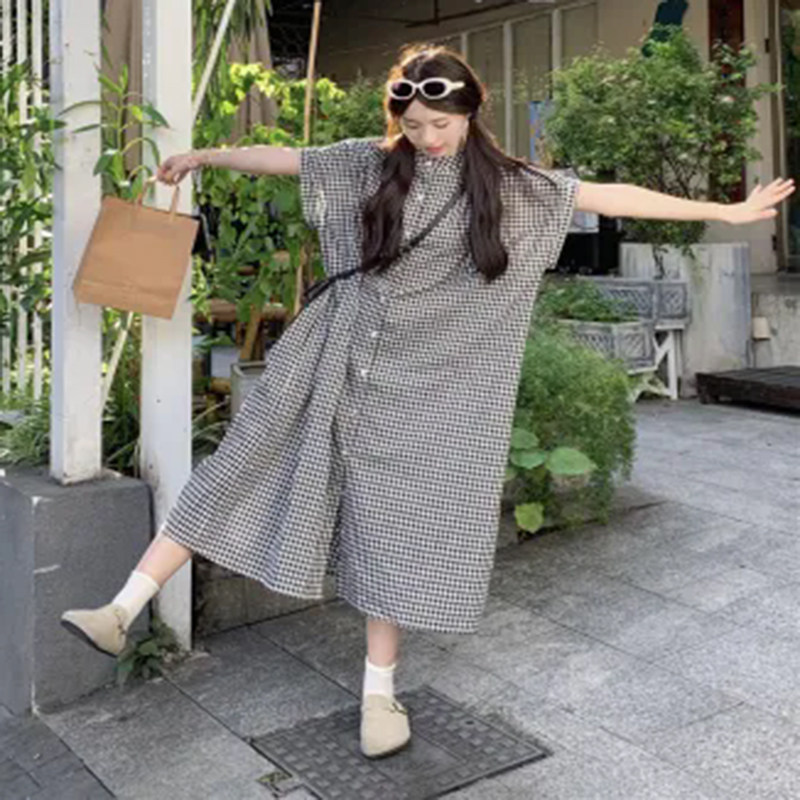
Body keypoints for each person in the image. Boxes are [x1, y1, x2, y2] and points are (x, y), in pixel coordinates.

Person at [60, 44, 794, 759]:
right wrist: (205, 157)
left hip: (426, 381)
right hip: (333, 352)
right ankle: (122, 609)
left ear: (471, 113)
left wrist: (725, 211)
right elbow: (289, 159)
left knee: (395, 525)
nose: (428, 138)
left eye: (440, 125)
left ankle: (379, 695)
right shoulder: (370, 164)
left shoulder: (510, 186)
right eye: (413, 126)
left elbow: (607, 196)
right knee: (240, 464)